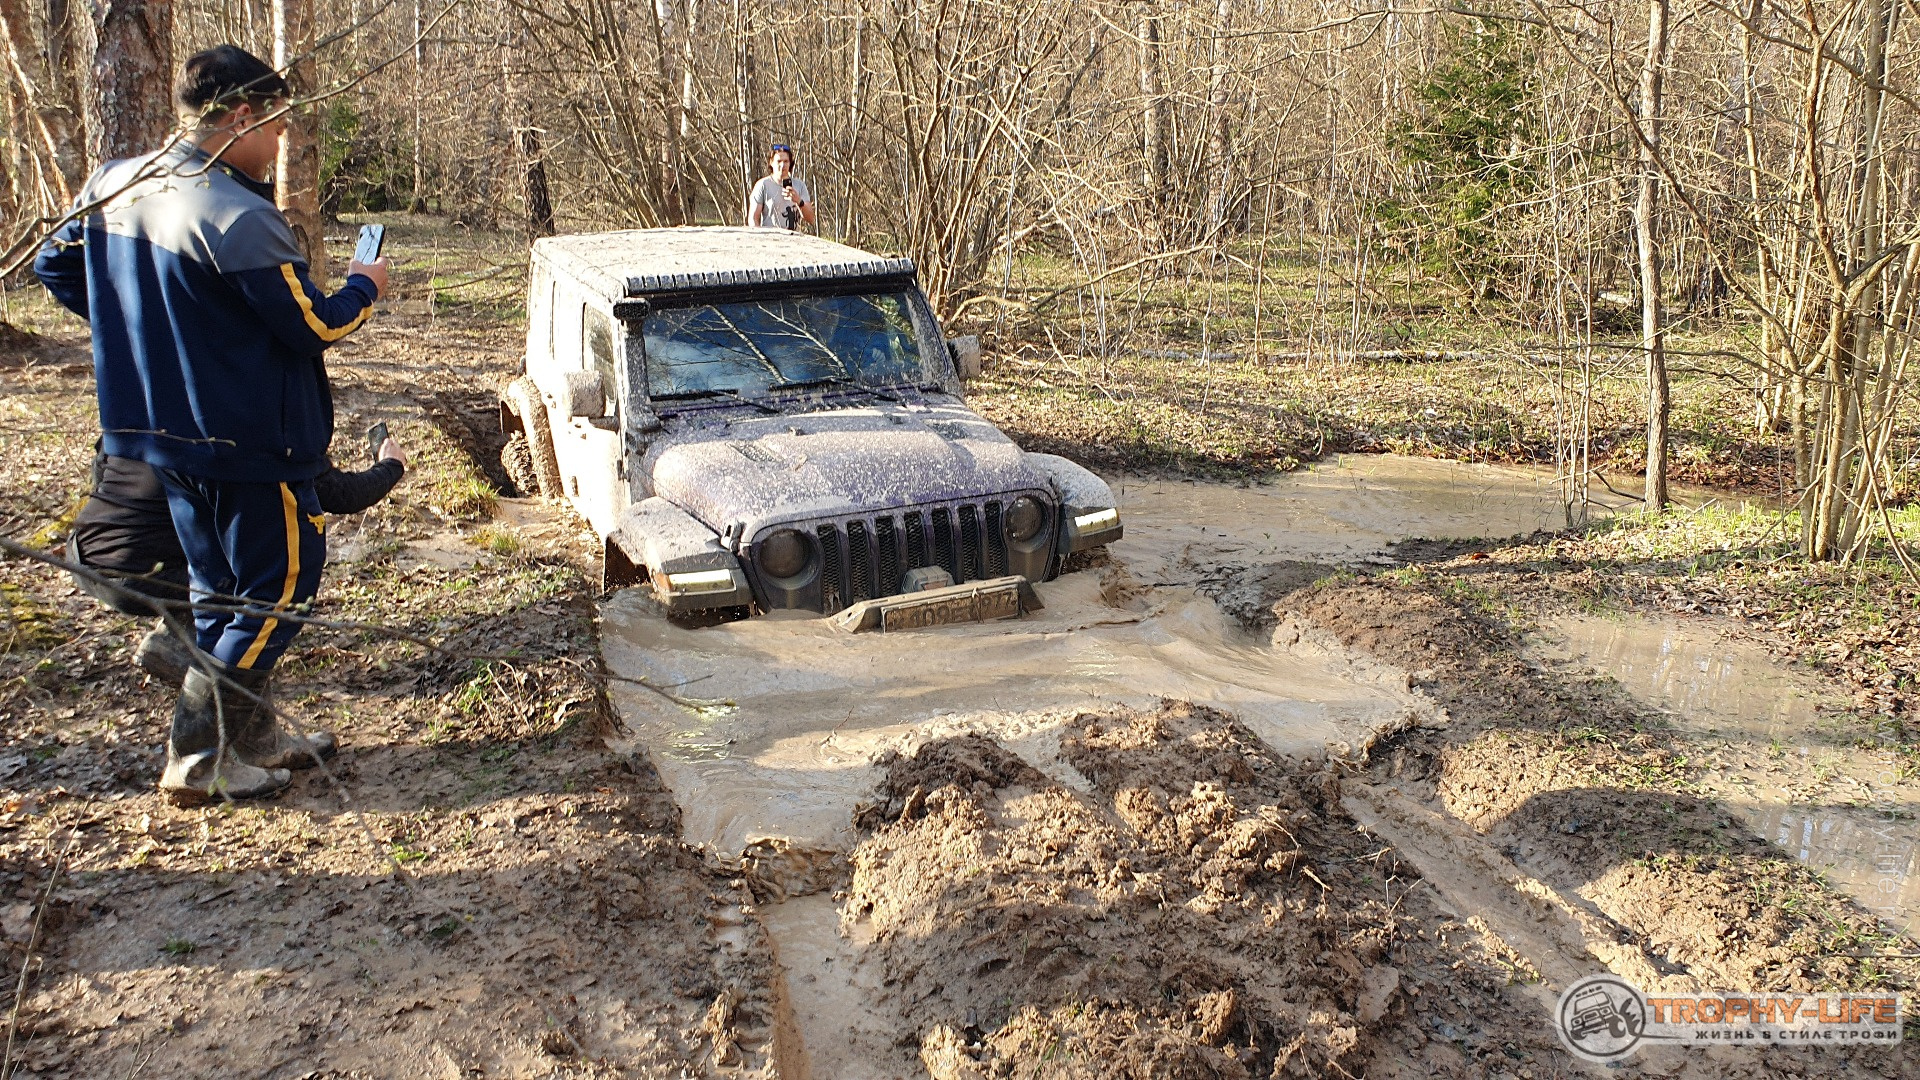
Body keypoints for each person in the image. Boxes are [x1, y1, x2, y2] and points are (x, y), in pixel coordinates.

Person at [34, 45, 390, 804]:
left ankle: (253, 739)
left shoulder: (114, 183)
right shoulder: (238, 216)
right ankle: (197, 760)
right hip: (247, 442)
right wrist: (365, 285)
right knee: (275, 596)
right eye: (277, 129)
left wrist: (145, 329)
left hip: (157, 435)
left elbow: (54, 265)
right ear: (239, 117)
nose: (279, 146)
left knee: (221, 596)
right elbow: (313, 326)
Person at [71, 438, 411, 683]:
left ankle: (179, 633)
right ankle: (188, 654)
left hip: (81, 557)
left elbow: (101, 474)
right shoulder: (253, 432)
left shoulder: (151, 413)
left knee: (207, 538)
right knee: (260, 573)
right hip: (141, 575)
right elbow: (342, 495)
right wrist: (390, 466)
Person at [746, 144, 816, 231]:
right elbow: (753, 218)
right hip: (770, 236)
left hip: (794, 237)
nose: (782, 165)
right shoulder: (763, 185)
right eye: (779, 161)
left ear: (790, 163)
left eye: (786, 161)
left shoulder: (800, 185)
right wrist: (759, 235)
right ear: (771, 162)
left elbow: (811, 219)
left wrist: (799, 201)